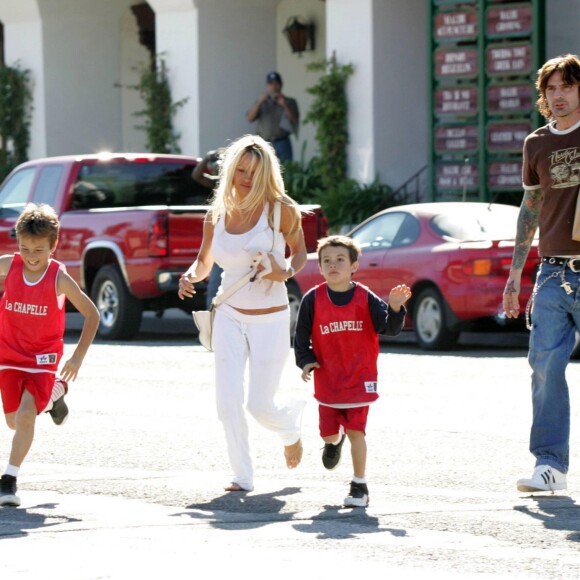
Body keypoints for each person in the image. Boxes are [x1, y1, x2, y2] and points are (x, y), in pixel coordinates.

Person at [178, 134, 307, 492]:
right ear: (231, 171)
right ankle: (243, 475)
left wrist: (284, 271)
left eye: (254, 172)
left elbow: (300, 253)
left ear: (266, 173)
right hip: (229, 313)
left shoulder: (280, 209)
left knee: (260, 404)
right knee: (227, 399)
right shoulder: (216, 213)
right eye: (241, 171)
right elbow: (204, 263)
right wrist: (190, 277)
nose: (246, 179)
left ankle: (289, 425)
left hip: (271, 317)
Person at [503, 53, 580, 493]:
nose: (558, 95)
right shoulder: (537, 144)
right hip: (551, 273)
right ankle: (550, 466)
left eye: (566, 86)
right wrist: (516, 274)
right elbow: (530, 207)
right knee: (545, 369)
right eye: (551, 89)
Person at [293, 235, 412, 507]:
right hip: (328, 380)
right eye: (326, 261)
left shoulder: (364, 297)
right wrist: (306, 360)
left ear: (354, 266)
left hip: (360, 378)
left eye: (340, 260)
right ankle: (334, 443)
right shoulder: (313, 299)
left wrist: (394, 307)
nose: (333, 265)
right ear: (320, 267)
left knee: (357, 431)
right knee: (328, 433)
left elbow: (389, 328)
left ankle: (360, 486)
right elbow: (301, 337)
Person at [0, 203, 100, 507]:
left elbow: (92, 315)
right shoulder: (8, 265)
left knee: (28, 416)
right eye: (25, 248)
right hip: (8, 354)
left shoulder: (58, 278)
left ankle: (9, 480)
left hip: (42, 358)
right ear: (17, 243)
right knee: (15, 422)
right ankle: (56, 393)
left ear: (53, 246)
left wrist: (77, 359)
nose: (31, 256)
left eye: (39, 250)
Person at [191, 149, 225, 308]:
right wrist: (206, 158)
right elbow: (196, 175)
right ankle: (209, 329)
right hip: (220, 249)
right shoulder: (216, 183)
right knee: (214, 295)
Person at [246, 71, 299, 162]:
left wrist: (284, 105)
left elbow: (294, 119)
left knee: (286, 170)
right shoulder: (262, 102)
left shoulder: (289, 101)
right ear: (267, 86)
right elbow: (250, 118)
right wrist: (259, 102)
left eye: (276, 84)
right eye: (271, 84)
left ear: (281, 85)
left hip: (283, 142)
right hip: (265, 142)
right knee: (265, 171)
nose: (274, 87)